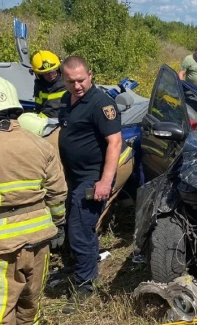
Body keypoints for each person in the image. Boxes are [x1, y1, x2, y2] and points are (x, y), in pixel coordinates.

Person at [57, 56, 133, 313]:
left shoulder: (101, 103)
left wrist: (105, 181)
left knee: (80, 228)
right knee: (75, 224)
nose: (77, 85)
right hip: (73, 176)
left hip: (93, 177)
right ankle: (81, 266)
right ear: (64, 79)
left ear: (90, 75)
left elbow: (114, 142)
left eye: (81, 80)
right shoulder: (66, 100)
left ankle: (86, 285)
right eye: (71, 81)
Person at [0, 76, 67, 324]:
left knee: (3, 309)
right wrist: (58, 222)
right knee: (30, 304)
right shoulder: (40, 145)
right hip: (40, 239)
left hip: (4, 245)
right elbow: (58, 192)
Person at [18, 51, 67, 153]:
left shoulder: (65, 83)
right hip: (44, 122)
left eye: (53, 71)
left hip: (59, 126)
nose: (50, 75)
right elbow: (39, 106)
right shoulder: (40, 84)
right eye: (45, 74)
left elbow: (52, 112)